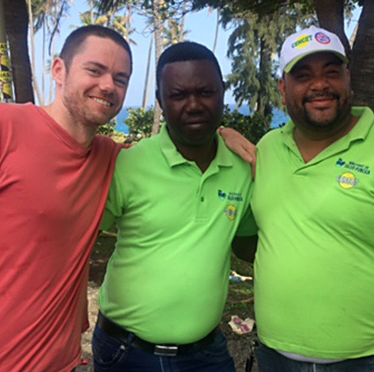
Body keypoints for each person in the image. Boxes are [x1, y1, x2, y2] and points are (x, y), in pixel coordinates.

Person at [0, 26, 132, 372]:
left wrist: (222, 137)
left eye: (121, 78)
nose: (108, 85)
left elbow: (169, 156)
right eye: (94, 70)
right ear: (59, 70)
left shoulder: (110, 159)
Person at [245, 26, 374, 372]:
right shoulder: (266, 150)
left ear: (349, 79)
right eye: (303, 75)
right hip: (275, 359)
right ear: (283, 90)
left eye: (332, 72)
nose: (320, 85)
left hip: (372, 363)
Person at [92, 41, 256, 372]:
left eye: (205, 92)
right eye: (179, 95)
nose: (193, 105)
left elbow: (251, 244)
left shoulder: (243, 169)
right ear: (160, 101)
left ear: (222, 92)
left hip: (206, 354)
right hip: (126, 352)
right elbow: (77, 239)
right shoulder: (128, 164)